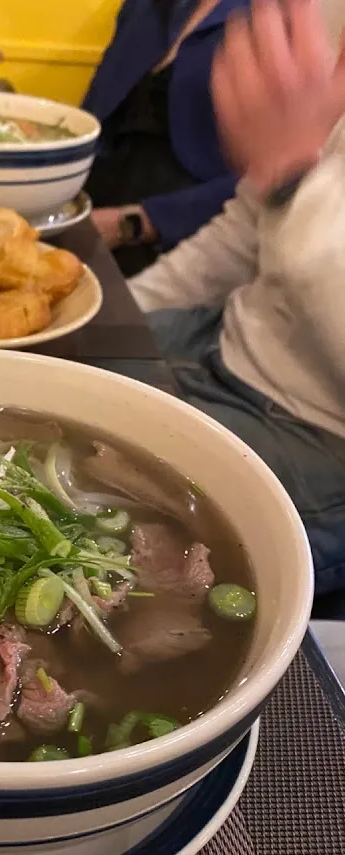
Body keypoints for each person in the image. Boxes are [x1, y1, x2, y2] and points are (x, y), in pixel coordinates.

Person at [129, 0, 345, 595]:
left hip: (318, 439)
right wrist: (119, 315)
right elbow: (246, 227)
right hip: (222, 337)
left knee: (92, 530)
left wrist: (291, 180)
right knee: (46, 369)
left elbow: (284, 194)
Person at [82, 0, 250, 276]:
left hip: (182, 240)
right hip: (93, 203)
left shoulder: (279, 21)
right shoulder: (148, 8)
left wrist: (134, 223)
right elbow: (93, 118)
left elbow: (266, 184)